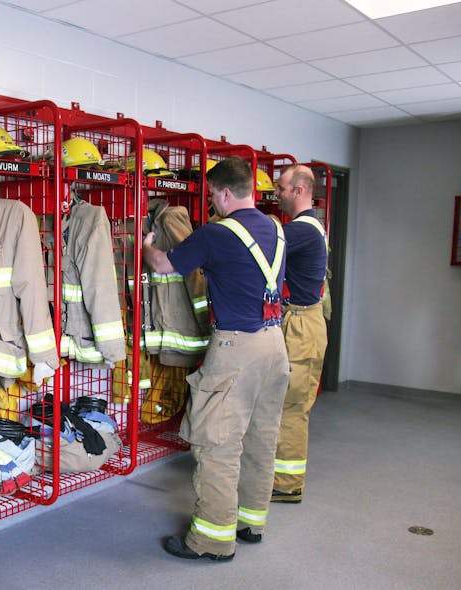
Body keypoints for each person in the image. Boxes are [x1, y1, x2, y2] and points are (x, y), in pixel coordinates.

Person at [142, 156, 289, 562]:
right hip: (275, 345)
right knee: (261, 440)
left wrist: (147, 245)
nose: (211, 203)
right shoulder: (276, 228)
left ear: (225, 192)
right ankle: (251, 523)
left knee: (218, 444)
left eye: (211, 195)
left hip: (236, 348)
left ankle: (211, 540)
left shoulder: (216, 233)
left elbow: (163, 264)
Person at [271, 164, 329, 503]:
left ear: (299, 191)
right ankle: (279, 479)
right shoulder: (306, 228)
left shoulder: (303, 230)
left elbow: (266, 243)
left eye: (281, 188)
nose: (276, 193)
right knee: (285, 404)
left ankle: (286, 484)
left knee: (292, 407)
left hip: (301, 326)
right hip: (299, 322)